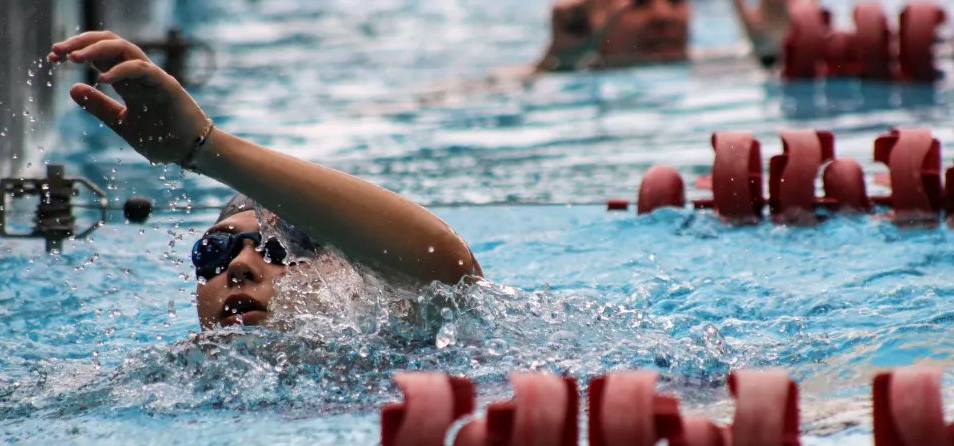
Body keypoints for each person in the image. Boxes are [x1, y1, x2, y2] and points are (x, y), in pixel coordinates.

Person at [49, 31, 483, 331]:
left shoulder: (405, 342)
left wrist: (201, 150)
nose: (238, 267)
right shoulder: (159, 385)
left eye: (282, 248)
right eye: (213, 251)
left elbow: (446, 269)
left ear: (360, 278)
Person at [535, 0, 797, 72]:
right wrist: (561, 62)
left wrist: (772, 49)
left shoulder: (711, 66)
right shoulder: (576, 76)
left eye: (676, 1)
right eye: (640, 3)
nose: (664, 16)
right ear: (594, 17)